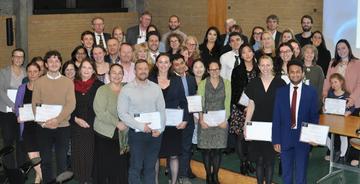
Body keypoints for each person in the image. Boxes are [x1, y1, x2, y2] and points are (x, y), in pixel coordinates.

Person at [117, 59, 166, 184]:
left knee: (150, 168)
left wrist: (160, 130)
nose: (143, 71)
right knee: (136, 168)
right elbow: (122, 113)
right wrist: (140, 125)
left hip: (155, 135)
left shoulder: (156, 88)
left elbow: (162, 111)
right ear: (135, 71)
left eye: (145, 69)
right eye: (140, 69)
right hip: (136, 134)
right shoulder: (126, 89)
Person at [272, 59, 319, 184]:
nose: (295, 74)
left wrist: (313, 136)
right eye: (292, 72)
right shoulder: (280, 92)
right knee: (286, 172)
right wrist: (276, 139)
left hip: (303, 138)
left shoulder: (311, 92)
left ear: (303, 73)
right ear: (288, 74)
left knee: (301, 172)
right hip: (284, 137)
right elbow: (276, 117)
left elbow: (314, 116)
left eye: (298, 72)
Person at [32, 50, 76, 183]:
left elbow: (71, 104)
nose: (54, 63)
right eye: (50, 61)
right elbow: (35, 105)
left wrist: (57, 120)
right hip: (43, 127)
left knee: (61, 161)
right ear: (46, 64)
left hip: (62, 126)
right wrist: (44, 123)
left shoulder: (68, 82)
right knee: (46, 160)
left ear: (60, 63)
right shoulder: (39, 82)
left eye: (57, 61)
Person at [244, 55, 286, 184]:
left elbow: (283, 108)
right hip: (257, 126)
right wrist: (246, 125)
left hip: (273, 126)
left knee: (269, 160)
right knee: (259, 160)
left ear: (272, 65)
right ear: (259, 66)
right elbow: (251, 105)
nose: (265, 68)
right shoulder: (254, 83)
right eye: (262, 65)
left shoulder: (280, 83)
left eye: (268, 65)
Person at [149, 54, 188, 184]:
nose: (164, 65)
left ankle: (174, 181)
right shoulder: (150, 80)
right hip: (155, 124)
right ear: (156, 64)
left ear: (170, 64)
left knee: (173, 155)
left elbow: (184, 101)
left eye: (166, 62)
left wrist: (185, 120)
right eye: (161, 62)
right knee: (154, 155)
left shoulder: (176, 80)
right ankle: (154, 182)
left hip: (173, 124)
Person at [93, 64, 129, 184]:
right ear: (109, 75)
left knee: (121, 164)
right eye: (114, 72)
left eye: (120, 73)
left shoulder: (128, 88)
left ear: (123, 75)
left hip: (123, 134)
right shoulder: (102, 90)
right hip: (105, 134)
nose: (117, 75)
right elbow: (100, 112)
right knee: (106, 165)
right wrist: (117, 123)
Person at [70, 59, 103, 183]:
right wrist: (76, 119)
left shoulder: (99, 86)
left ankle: (89, 179)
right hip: (76, 124)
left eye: (90, 68)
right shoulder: (72, 85)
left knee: (91, 154)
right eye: (84, 67)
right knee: (78, 154)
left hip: (93, 126)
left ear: (94, 70)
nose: (86, 70)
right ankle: (80, 179)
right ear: (80, 69)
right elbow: (67, 105)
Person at [197, 60, 231, 184]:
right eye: (212, 69)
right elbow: (199, 103)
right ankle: (208, 176)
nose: (214, 72)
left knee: (217, 151)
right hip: (205, 121)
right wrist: (201, 120)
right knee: (206, 151)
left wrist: (225, 120)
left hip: (221, 121)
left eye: (216, 69)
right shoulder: (202, 83)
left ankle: (215, 175)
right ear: (208, 71)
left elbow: (228, 102)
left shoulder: (226, 83)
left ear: (220, 69)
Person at [230, 44, 260, 175]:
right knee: (241, 136)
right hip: (240, 109)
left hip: (257, 107)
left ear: (253, 53)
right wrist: (244, 108)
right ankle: (243, 162)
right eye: (244, 52)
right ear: (241, 55)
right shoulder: (237, 70)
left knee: (252, 137)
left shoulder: (259, 69)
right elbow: (234, 93)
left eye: (249, 51)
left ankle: (249, 160)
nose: (247, 54)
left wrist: (253, 106)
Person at [171, 54, 198, 183]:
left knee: (186, 149)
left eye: (182, 63)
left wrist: (191, 116)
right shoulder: (170, 80)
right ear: (173, 66)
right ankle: (174, 177)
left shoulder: (191, 79)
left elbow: (193, 100)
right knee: (174, 150)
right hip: (175, 121)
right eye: (176, 64)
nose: (180, 66)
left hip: (189, 119)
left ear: (185, 62)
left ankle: (183, 175)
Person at [14, 61, 43, 183]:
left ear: (39, 72)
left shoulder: (44, 87)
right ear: (27, 73)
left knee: (39, 151)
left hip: (41, 124)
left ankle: (38, 176)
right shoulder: (22, 88)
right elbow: (16, 106)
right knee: (31, 152)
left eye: (35, 71)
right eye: (30, 71)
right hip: (27, 125)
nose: (32, 74)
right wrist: (18, 115)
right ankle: (42, 175)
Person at [0, 48, 26, 169]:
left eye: (21, 57)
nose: (18, 59)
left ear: (23, 59)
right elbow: (0, 91)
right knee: (8, 140)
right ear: (12, 58)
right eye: (16, 56)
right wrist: (12, 105)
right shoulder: (3, 72)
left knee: (21, 140)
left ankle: (21, 169)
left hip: (21, 112)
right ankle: (9, 169)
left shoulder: (26, 72)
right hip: (7, 111)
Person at [322, 39, 360, 115]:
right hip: (334, 101)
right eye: (338, 49)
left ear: (348, 48)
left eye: (343, 48)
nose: (341, 51)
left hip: (352, 102)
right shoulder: (333, 63)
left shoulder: (357, 63)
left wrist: (352, 98)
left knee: (351, 126)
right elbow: (327, 80)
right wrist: (325, 94)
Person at [324, 73, 355, 163]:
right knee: (325, 135)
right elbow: (326, 104)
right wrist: (324, 108)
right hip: (331, 120)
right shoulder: (330, 93)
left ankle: (342, 155)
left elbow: (352, 107)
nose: (333, 85)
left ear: (341, 82)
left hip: (343, 120)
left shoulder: (347, 95)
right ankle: (334, 150)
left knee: (343, 136)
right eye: (332, 83)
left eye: (335, 82)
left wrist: (349, 112)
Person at [302, 44, 325, 109]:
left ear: (314, 55)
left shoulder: (318, 69)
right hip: (300, 103)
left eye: (312, 53)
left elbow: (320, 88)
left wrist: (316, 102)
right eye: (307, 52)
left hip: (315, 103)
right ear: (303, 54)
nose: (309, 55)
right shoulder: (298, 68)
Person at [190, 59, 206, 146]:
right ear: (192, 69)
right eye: (196, 67)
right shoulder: (188, 81)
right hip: (191, 115)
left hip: (205, 114)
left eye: (201, 67)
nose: (198, 69)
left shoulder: (208, 82)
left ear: (205, 68)